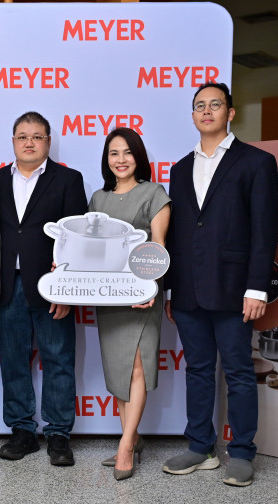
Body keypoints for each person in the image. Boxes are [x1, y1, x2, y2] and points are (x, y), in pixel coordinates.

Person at [162, 82, 278, 487]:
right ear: (193, 115)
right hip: (188, 288)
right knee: (197, 370)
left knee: (239, 371)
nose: (207, 111)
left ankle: (242, 451)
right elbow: (178, 234)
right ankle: (200, 447)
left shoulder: (256, 162)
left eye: (215, 104)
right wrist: (171, 289)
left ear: (230, 113)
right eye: (200, 105)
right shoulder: (180, 169)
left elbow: (265, 230)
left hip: (234, 288)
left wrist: (257, 287)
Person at [0, 112, 87, 467]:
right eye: (22, 136)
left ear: (48, 141)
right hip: (8, 284)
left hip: (52, 286)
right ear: (13, 141)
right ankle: (22, 431)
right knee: (13, 359)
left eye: (37, 136)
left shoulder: (68, 179)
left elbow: (76, 239)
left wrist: (65, 288)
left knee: (58, 359)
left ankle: (59, 433)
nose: (29, 142)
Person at [89, 127, 171, 481]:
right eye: (113, 153)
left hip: (141, 294)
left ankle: (124, 446)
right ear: (106, 159)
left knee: (137, 367)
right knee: (119, 370)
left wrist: (150, 289)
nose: (120, 160)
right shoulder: (98, 199)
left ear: (138, 156)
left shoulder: (154, 193)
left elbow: (159, 246)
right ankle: (132, 438)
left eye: (127, 152)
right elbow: (90, 249)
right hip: (108, 297)